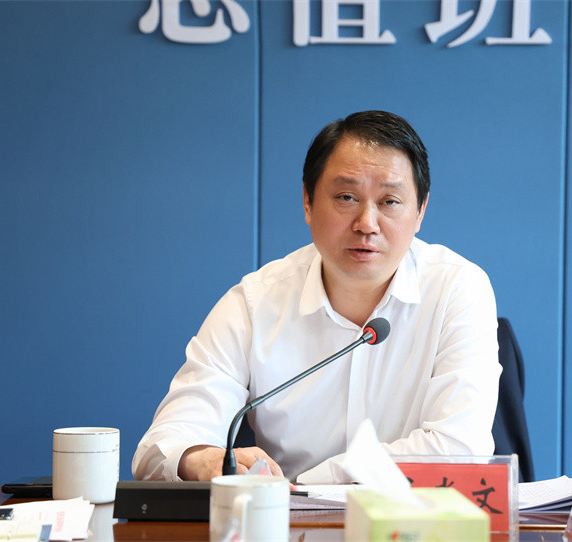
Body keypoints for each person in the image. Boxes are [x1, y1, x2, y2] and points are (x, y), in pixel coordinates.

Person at [132, 110, 501, 484]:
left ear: (420, 211)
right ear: (308, 202)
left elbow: (460, 448)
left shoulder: (457, 289)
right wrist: (201, 460)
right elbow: (161, 448)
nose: (367, 224)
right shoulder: (255, 304)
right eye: (346, 197)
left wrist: (305, 486)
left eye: (390, 202)